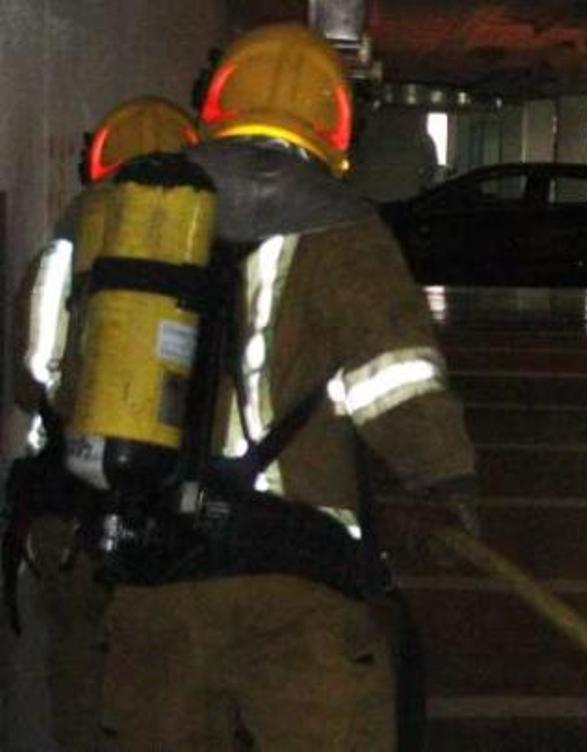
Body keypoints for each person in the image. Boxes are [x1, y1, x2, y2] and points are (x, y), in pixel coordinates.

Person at [88, 22, 476, 749]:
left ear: (216, 104)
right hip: (296, 583)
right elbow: (395, 381)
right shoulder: (345, 231)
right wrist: (444, 483)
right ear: (335, 127)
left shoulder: (141, 214)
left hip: (152, 575)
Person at [4, 96, 200, 750]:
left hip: (67, 510)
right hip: (166, 510)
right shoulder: (201, 257)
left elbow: (30, 380)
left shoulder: (63, 250)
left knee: (77, 667)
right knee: (165, 685)